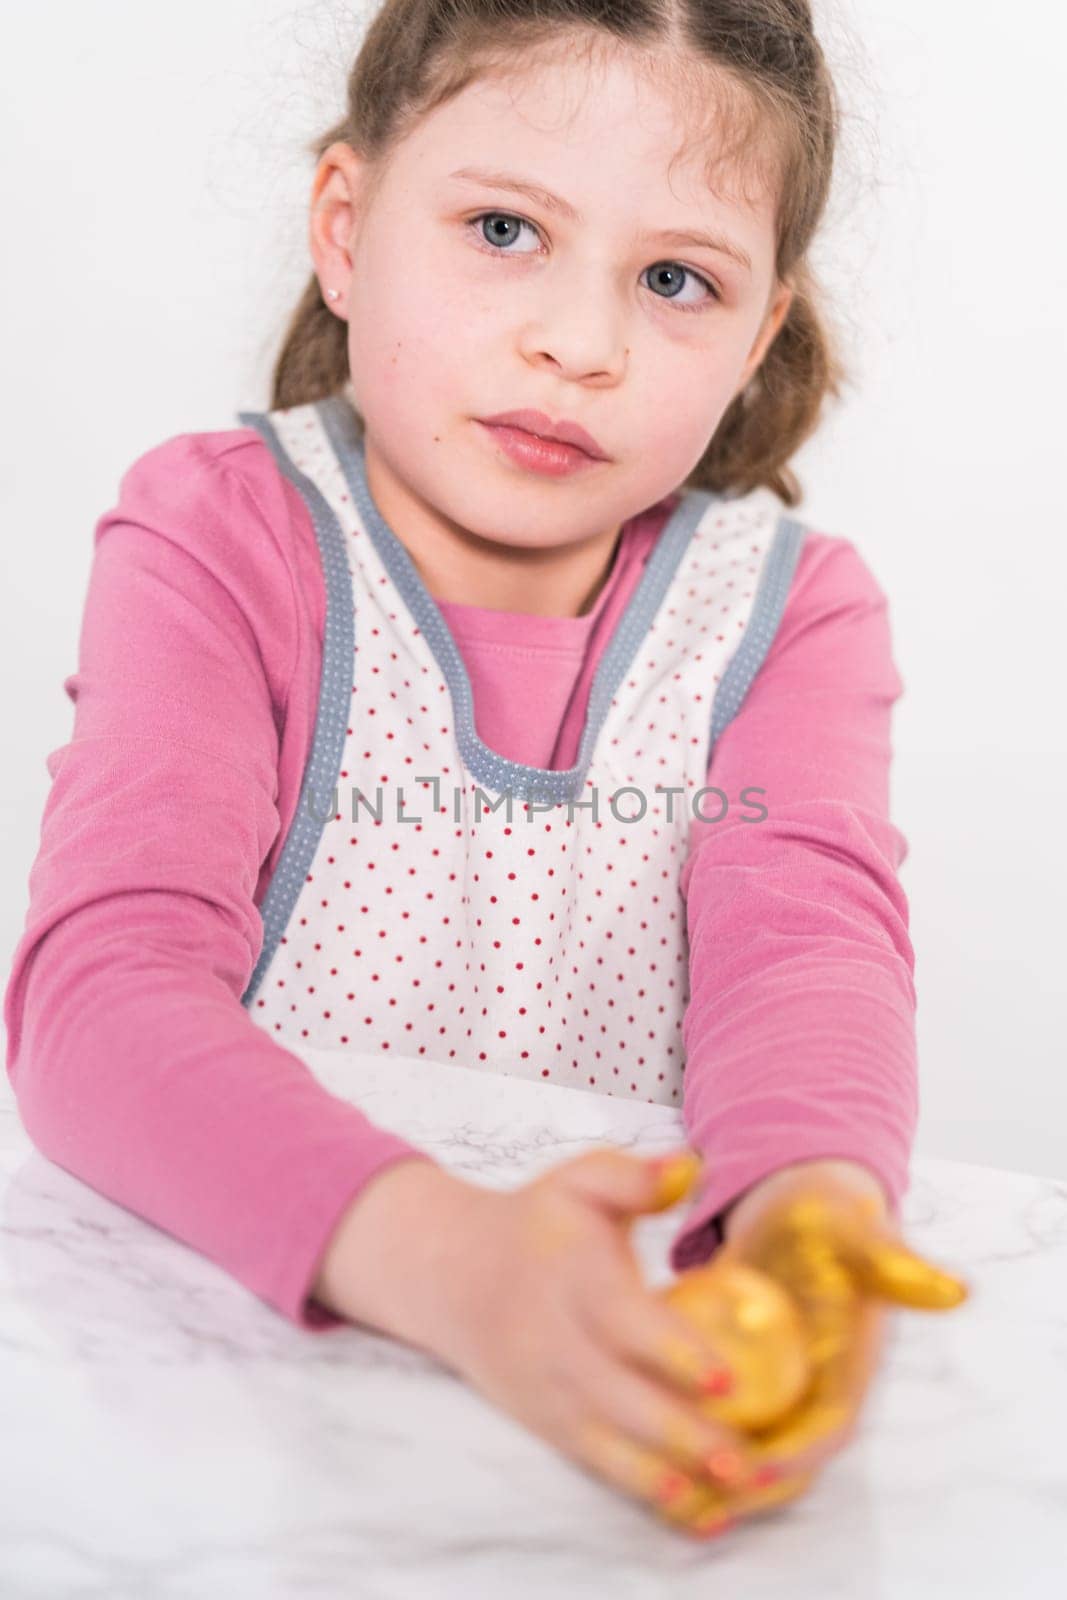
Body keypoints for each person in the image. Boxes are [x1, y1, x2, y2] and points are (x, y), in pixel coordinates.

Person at [3, 0, 968, 1542]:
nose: (580, 344)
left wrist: (809, 1221)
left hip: (614, 1401)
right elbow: (100, 999)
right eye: (506, 228)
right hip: (249, 1425)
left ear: (759, 331)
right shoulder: (223, 537)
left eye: (674, 280)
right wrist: (455, 1263)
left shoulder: (792, 611)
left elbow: (809, 962)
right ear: (346, 223)